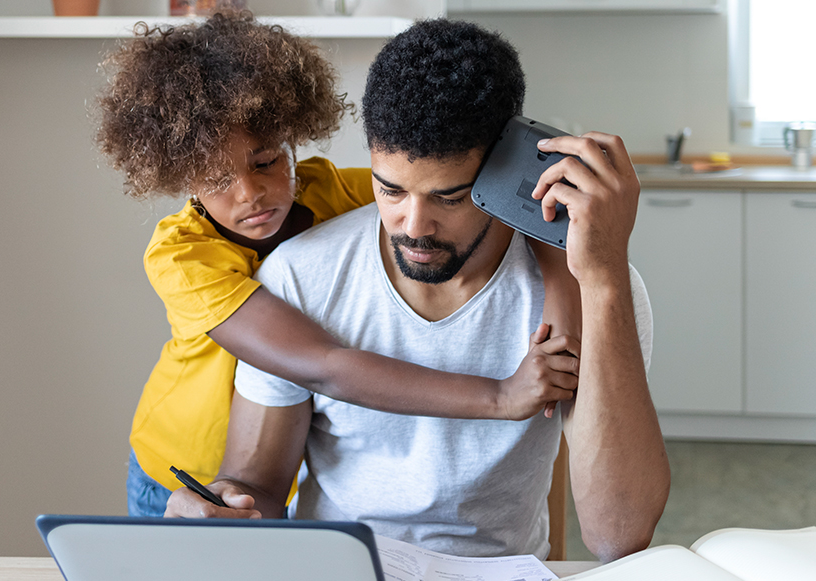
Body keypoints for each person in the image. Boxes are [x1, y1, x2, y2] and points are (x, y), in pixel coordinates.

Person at [164, 18, 671, 563]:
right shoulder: (296, 276)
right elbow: (258, 487)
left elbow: (619, 535)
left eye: (449, 197)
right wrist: (226, 505)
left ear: (506, 165)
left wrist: (605, 278)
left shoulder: (590, 288)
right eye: (391, 189)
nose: (413, 226)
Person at [94, 11, 582, 518]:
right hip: (183, 478)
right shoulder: (181, 256)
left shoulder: (338, 188)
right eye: (216, 178)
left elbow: (455, 185)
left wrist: (560, 257)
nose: (250, 193)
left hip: (282, 465)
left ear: (292, 142)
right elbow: (323, 366)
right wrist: (502, 397)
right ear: (179, 175)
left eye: (265, 162)